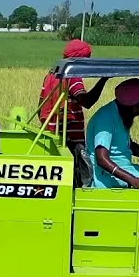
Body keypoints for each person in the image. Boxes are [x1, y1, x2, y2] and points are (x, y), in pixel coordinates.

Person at [86, 77, 139, 241]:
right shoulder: (105, 119)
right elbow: (101, 158)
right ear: (129, 104)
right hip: (105, 177)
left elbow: (128, 146)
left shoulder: (119, 114)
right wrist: (133, 180)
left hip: (123, 167)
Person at [38, 39, 107, 187]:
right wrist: (104, 79)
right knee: (79, 179)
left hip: (50, 135)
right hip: (70, 139)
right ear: (80, 59)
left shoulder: (51, 75)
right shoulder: (72, 76)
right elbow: (86, 101)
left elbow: (41, 107)